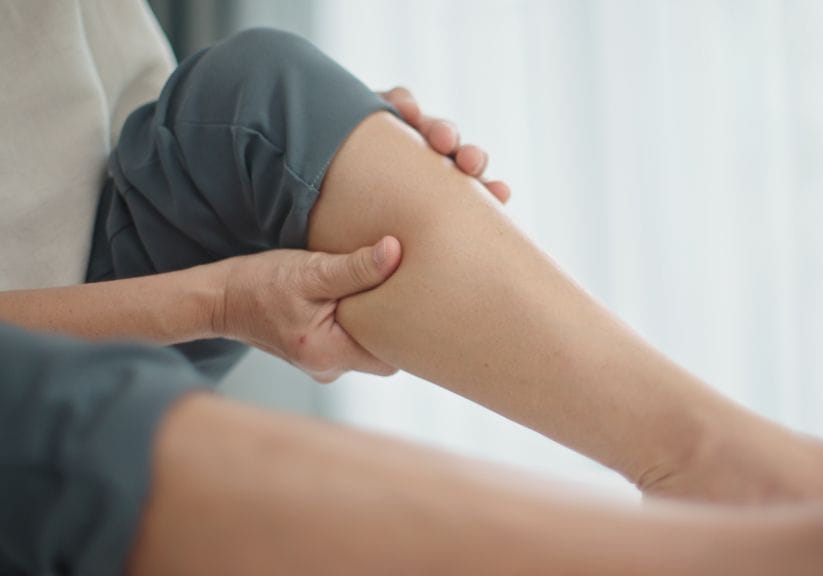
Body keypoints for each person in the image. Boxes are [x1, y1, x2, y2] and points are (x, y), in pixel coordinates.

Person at [0, 2, 821, 575]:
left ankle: (714, 468)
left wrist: (347, 150)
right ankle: (699, 563)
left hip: (91, 264)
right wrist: (216, 303)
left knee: (259, 91)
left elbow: (145, 123)